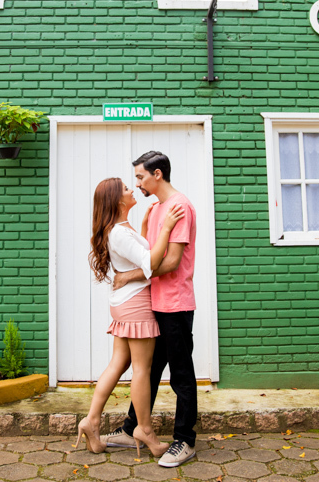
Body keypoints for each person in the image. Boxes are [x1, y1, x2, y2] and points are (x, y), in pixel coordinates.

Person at [75, 177, 185, 457]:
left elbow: (140, 255)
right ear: (117, 201)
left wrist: (147, 228)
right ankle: (144, 430)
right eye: (125, 188)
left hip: (124, 303)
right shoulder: (119, 233)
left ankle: (92, 421)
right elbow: (151, 262)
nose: (131, 189)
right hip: (136, 304)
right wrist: (167, 228)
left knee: (118, 364)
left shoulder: (120, 229)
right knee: (142, 370)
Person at [103, 151, 198, 468]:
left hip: (175, 304)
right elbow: (149, 253)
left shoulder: (178, 207)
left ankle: (184, 440)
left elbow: (170, 262)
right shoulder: (157, 208)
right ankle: (132, 430)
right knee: (150, 371)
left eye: (141, 177)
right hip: (155, 303)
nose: (137, 183)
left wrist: (128, 275)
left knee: (181, 375)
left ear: (157, 175)